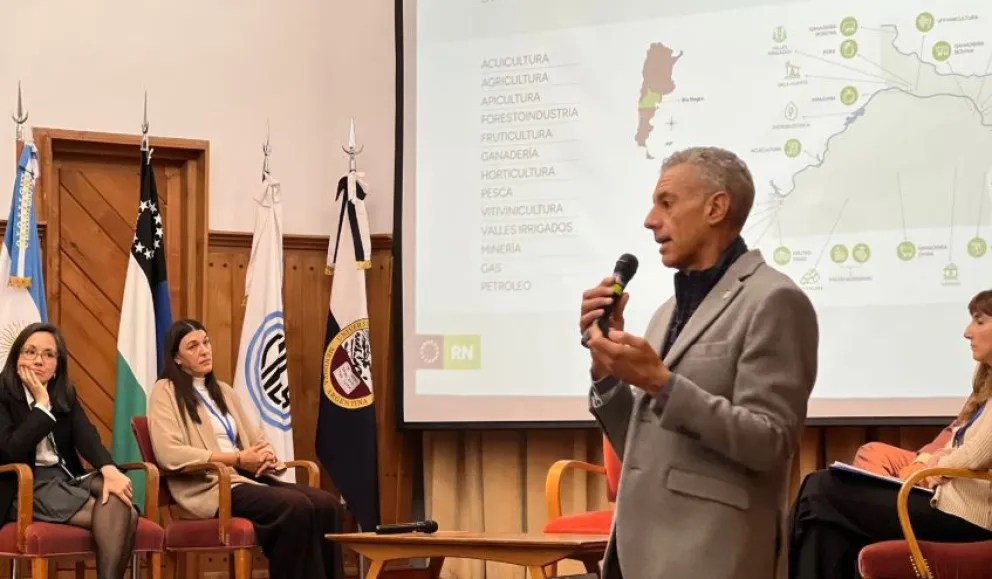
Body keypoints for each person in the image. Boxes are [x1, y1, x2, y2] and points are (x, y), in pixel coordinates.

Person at [581, 146, 819, 579]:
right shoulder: (665, 312)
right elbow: (640, 444)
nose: (650, 220)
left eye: (666, 202)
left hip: (713, 555)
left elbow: (769, 441)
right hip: (639, 552)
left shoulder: (774, 300)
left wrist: (661, 382)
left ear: (716, 208)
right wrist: (606, 367)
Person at [788, 289, 992, 579]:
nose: (967, 332)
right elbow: (958, 440)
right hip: (946, 500)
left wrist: (935, 465)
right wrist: (935, 460)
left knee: (819, 489)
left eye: (979, 321)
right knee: (825, 524)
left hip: (969, 516)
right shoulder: (985, 389)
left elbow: (975, 454)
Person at [147, 319, 344, 579]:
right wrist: (237, 459)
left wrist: (265, 455)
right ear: (177, 358)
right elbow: (169, 453)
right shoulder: (165, 391)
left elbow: (255, 437)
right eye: (193, 346)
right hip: (211, 486)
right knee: (295, 506)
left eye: (206, 342)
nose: (204, 351)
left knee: (327, 504)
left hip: (247, 478)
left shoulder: (224, 392)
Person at [0, 323, 138, 579]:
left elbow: (88, 438)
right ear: (16, 358)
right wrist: (41, 406)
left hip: (65, 478)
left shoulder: (64, 394)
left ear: (57, 366)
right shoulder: (2, 395)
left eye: (48, 354)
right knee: (124, 511)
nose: (38, 361)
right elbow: (11, 451)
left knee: (117, 495)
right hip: (21, 484)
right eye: (30, 352)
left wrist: (109, 470)